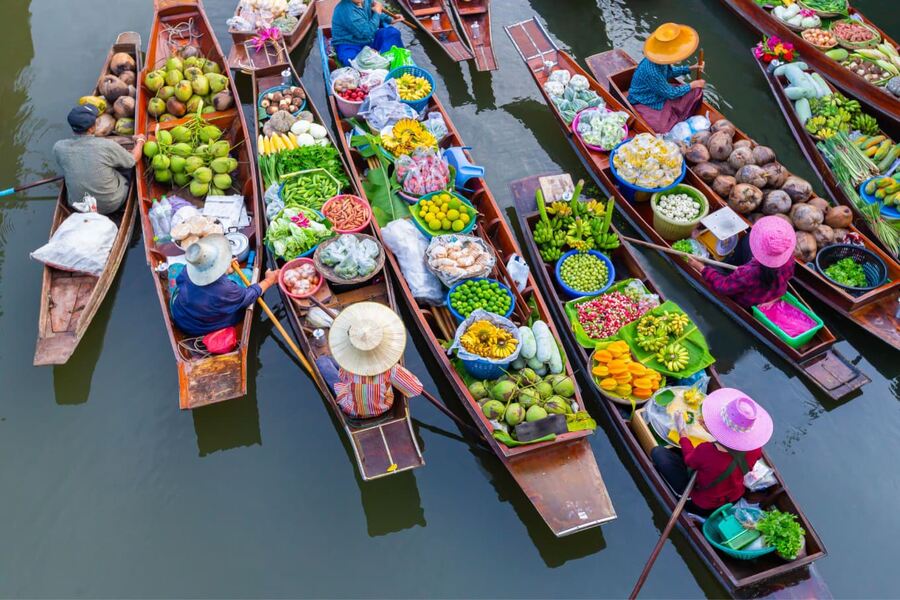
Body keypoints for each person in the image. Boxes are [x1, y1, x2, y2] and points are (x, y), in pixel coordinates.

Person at [651, 388, 772, 516]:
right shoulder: (755, 448)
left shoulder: (707, 451)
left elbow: (689, 461)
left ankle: (686, 503)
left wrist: (682, 432)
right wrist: (710, 430)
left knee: (658, 453)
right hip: (734, 496)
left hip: (702, 504)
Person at [324, 301, 422, 419]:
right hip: (384, 407)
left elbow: (343, 379)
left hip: (352, 410)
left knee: (323, 362)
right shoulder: (390, 368)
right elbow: (416, 389)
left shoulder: (346, 366)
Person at [171, 234, 279, 337]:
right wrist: (269, 280)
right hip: (202, 328)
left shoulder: (186, 271)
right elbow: (249, 296)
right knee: (248, 275)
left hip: (180, 316)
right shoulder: (226, 289)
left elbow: (181, 282)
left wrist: (224, 270)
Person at [53, 104, 146, 215]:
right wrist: (140, 141)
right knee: (127, 166)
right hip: (111, 204)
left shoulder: (58, 147)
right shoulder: (106, 145)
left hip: (78, 206)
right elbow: (133, 159)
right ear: (92, 128)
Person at [687, 216, 796, 309]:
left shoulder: (749, 272)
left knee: (708, 263)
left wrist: (700, 267)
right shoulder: (789, 258)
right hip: (772, 292)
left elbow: (723, 287)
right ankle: (731, 259)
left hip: (747, 300)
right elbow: (788, 277)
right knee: (749, 236)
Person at [628, 23, 705, 133]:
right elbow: (670, 93)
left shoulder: (661, 60)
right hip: (645, 99)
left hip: (660, 90)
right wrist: (692, 85)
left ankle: (677, 114)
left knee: (696, 92)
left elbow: (670, 73)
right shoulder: (652, 71)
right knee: (661, 129)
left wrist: (692, 67)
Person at [331, 0, 404, 67]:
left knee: (392, 33)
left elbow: (372, 11)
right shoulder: (346, 10)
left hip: (368, 40)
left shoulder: (366, 1)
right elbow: (366, 33)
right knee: (352, 62)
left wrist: (389, 19)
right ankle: (379, 59)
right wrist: (377, 13)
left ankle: (390, 60)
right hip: (350, 44)